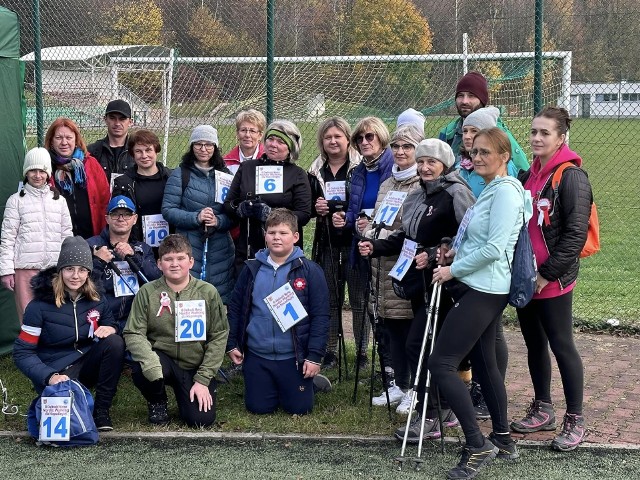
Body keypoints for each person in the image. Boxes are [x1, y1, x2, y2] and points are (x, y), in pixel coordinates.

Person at [427, 128, 532, 479]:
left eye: (486, 152)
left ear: (505, 156)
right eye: (475, 152)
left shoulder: (504, 194)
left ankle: (476, 444)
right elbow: (478, 239)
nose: (479, 158)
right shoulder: (491, 190)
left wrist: (452, 269)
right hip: (480, 284)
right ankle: (501, 438)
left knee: (441, 363)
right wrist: (454, 250)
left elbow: (495, 248)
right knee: (486, 364)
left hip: (485, 288)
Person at [358, 139, 475, 437]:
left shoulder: (456, 192)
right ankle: (438, 410)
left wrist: (435, 249)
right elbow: (407, 237)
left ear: (445, 165)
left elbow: (468, 237)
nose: (424, 167)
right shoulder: (418, 194)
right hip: (421, 283)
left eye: (431, 162)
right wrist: (376, 246)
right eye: (421, 162)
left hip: (448, 284)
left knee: (425, 346)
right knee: (423, 346)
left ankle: (430, 414)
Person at [510, 106, 593, 452]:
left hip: (553, 280)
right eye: (533, 132)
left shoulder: (571, 177)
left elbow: (575, 235)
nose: (536, 138)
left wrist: (546, 274)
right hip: (527, 277)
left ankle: (576, 418)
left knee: (561, 344)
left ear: (561, 138)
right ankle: (543, 407)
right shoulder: (531, 173)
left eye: (544, 133)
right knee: (534, 344)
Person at [13, 236, 125, 431]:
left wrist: (113, 328)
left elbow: (111, 324)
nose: (75, 275)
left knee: (115, 343)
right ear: (60, 271)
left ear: (89, 273)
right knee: (68, 429)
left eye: (82, 270)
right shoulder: (38, 306)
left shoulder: (97, 299)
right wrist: (49, 376)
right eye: (69, 269)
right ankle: (59, 398)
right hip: (56, 371)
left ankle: (101, 410)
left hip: (86, 364)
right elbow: (23, 352)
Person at [226, 209, 330, 415]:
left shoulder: (310, 271)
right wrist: (232, 344)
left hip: (293, 356)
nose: (276, 237)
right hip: (258, 353)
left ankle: (310, 382)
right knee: (258, 408)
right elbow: (236, 308)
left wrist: (314, 357)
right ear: (265, 235)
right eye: (272, 232)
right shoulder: (251, 269)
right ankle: (271, 383)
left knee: (299, 408)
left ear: (295, 236)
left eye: (283, 233)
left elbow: (321, 316)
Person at [123, 234, 229, 428]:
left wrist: (204, 379)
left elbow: (219, 335)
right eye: (168, 259)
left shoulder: (208, 292)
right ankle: (157, 400)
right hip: (164, 360)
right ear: (159, 263)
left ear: (191, 261)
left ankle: (192, 390)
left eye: (180, 258)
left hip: (196, 364)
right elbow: (133, 332)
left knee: (200, 421)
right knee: (142, 368)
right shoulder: (147, 292)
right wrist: (151, 364)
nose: (174, 264)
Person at [361, 125, 423, 408]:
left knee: (410, 331)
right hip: (380, 267)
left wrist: (379, 238)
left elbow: (409, 227)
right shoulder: (388, 183)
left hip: (405, 266)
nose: (400, 152)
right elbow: (379, 219)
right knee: (391, 329)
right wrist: (368, 229)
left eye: (407, 147)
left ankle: (415, 390)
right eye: (396, 147)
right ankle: (400, 384)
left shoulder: (420, 184)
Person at [332, 116, 394, 367]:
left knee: (387, 304)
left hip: (387, 242)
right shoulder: (359, 171)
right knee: (369, 301)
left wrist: (371, 221)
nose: (364, 141)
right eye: (360, 138)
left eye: (370, 136)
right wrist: (345, 218)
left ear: (381, 138)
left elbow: (395, 205)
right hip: (363, 242)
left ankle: (392, 365)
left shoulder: (392, 166)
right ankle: (382, 361)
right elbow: (356, 208)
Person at [307, 117, 364, 369]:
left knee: (359, 298)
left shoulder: (360, 166)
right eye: (328, 137)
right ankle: (330, 350)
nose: (333, 141)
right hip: (327, 241)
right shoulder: (314, 169)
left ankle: (362, 351)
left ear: (347, 139)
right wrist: (315, 207)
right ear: (322, 141)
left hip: (354, 241)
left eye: (338, 136)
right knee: (330, 297)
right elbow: (305, 204)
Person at [224, 120, 312, 277]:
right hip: (248, 247)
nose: (273, 144)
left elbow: (304, 214)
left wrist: (271, 215)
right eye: (270, 139)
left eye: (280, 141)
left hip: (282, 250)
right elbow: (228, 204)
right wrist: (240, 209)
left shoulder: (297, 174)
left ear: (290, 147)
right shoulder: (248, 168)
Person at [162, 125, 235, 303]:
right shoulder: (180, 174)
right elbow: (168, 210)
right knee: (188, 298)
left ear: (215, 147)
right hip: (188, 245)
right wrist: (196, 217)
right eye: (198, 144)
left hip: (220, 249)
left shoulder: (226, 175)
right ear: (192, 146)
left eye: (209, 144)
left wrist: (218, 221)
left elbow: (233, 213)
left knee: (218, 299)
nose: (203, 149)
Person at [0, 147, 72, 322]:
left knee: (55, 315)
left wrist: (67, 265)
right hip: (25, 269)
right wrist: (6, 271)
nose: (37, 175)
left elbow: (67, 235)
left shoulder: (60, 201)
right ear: (26, 172)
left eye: (42, 171)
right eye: (33, 170)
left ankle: (52, 350)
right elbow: (7, 238)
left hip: (53, 269)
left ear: (48, 173)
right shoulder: (16, 201)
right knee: (28, 316)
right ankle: (28, 349)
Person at [88, 195, 162, 333]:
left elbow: (156, 280)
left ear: (135, 219)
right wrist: (98, 262)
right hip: (102, 319)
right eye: (115, 214)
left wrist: (135, 258)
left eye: (127, 214)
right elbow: (80, 284)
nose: (121, 218)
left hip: (136, 320)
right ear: (107, 219)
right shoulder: (91, 245)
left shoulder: (143, 248)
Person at [439, 71, 529, 174]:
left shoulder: (499, 134)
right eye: (460, 95)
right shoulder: (447, 134)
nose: (464, 101)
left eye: (471, 96)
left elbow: (523, 172)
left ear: (482, 100)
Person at [45, 117, 111, 238]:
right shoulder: (45, 168)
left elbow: (105, 200)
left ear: (76, 140)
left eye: (69, 138)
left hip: (92, 238)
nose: (64, 142)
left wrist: (103, 236)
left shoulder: (91, 164)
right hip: (58, 239)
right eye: (58, 138)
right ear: (51, 141)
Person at [112, 129, 172, 255]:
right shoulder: (123, 183)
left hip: (170, 245)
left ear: (156, 150)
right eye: (138, 151)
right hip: (138, 246)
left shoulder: (172, 178)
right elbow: (118, 216)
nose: (144, 155)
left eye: (148, 150)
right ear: (133, 154)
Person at [458, 106, 520, 198]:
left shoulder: (503, 167)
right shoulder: (460, 165)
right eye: (465, 131)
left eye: (474, 131)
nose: (467, 136)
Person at [88, 99, 135, 183]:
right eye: (112, 118)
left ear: (130, 122)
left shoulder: (136, 151)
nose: (117, 123)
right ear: (105, 120)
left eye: (122, 119)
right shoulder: (92, 151)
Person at [223, 109, 266, 175]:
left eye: (252, 131)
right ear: (237, 133)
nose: (247, 135)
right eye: (243, 130)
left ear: (260, 135)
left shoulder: (268, 160)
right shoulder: (226, 162)